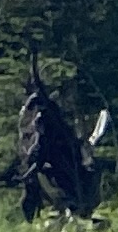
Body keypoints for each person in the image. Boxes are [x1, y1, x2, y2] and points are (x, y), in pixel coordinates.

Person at [10, 65, 102, 220]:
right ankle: (67, 208)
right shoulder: (41, 113)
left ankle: (74, 208)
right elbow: (39, 146)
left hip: (62, 164)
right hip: (55, 165)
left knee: (80, 174)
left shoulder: (51, 117)